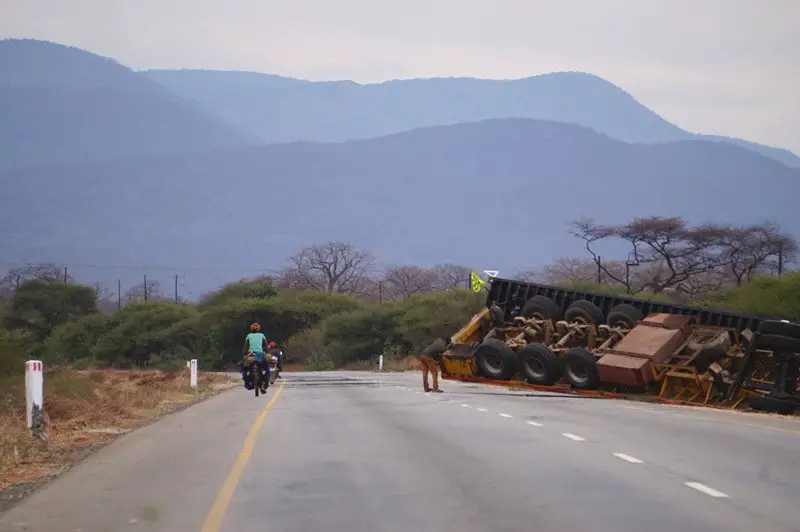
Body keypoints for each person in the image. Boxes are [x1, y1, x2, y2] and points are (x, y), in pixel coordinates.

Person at [241, 322, 270, 393]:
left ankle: (249, 383)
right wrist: (267, 352)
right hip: (260, 354)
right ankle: (263, 383)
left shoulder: (249, 336)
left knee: (245, 367)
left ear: (251, 329)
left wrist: (245, 354)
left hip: (251, 354)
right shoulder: (262, 335)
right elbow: (266, 346)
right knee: (266, 368)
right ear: (259, 329)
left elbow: (245, 347)